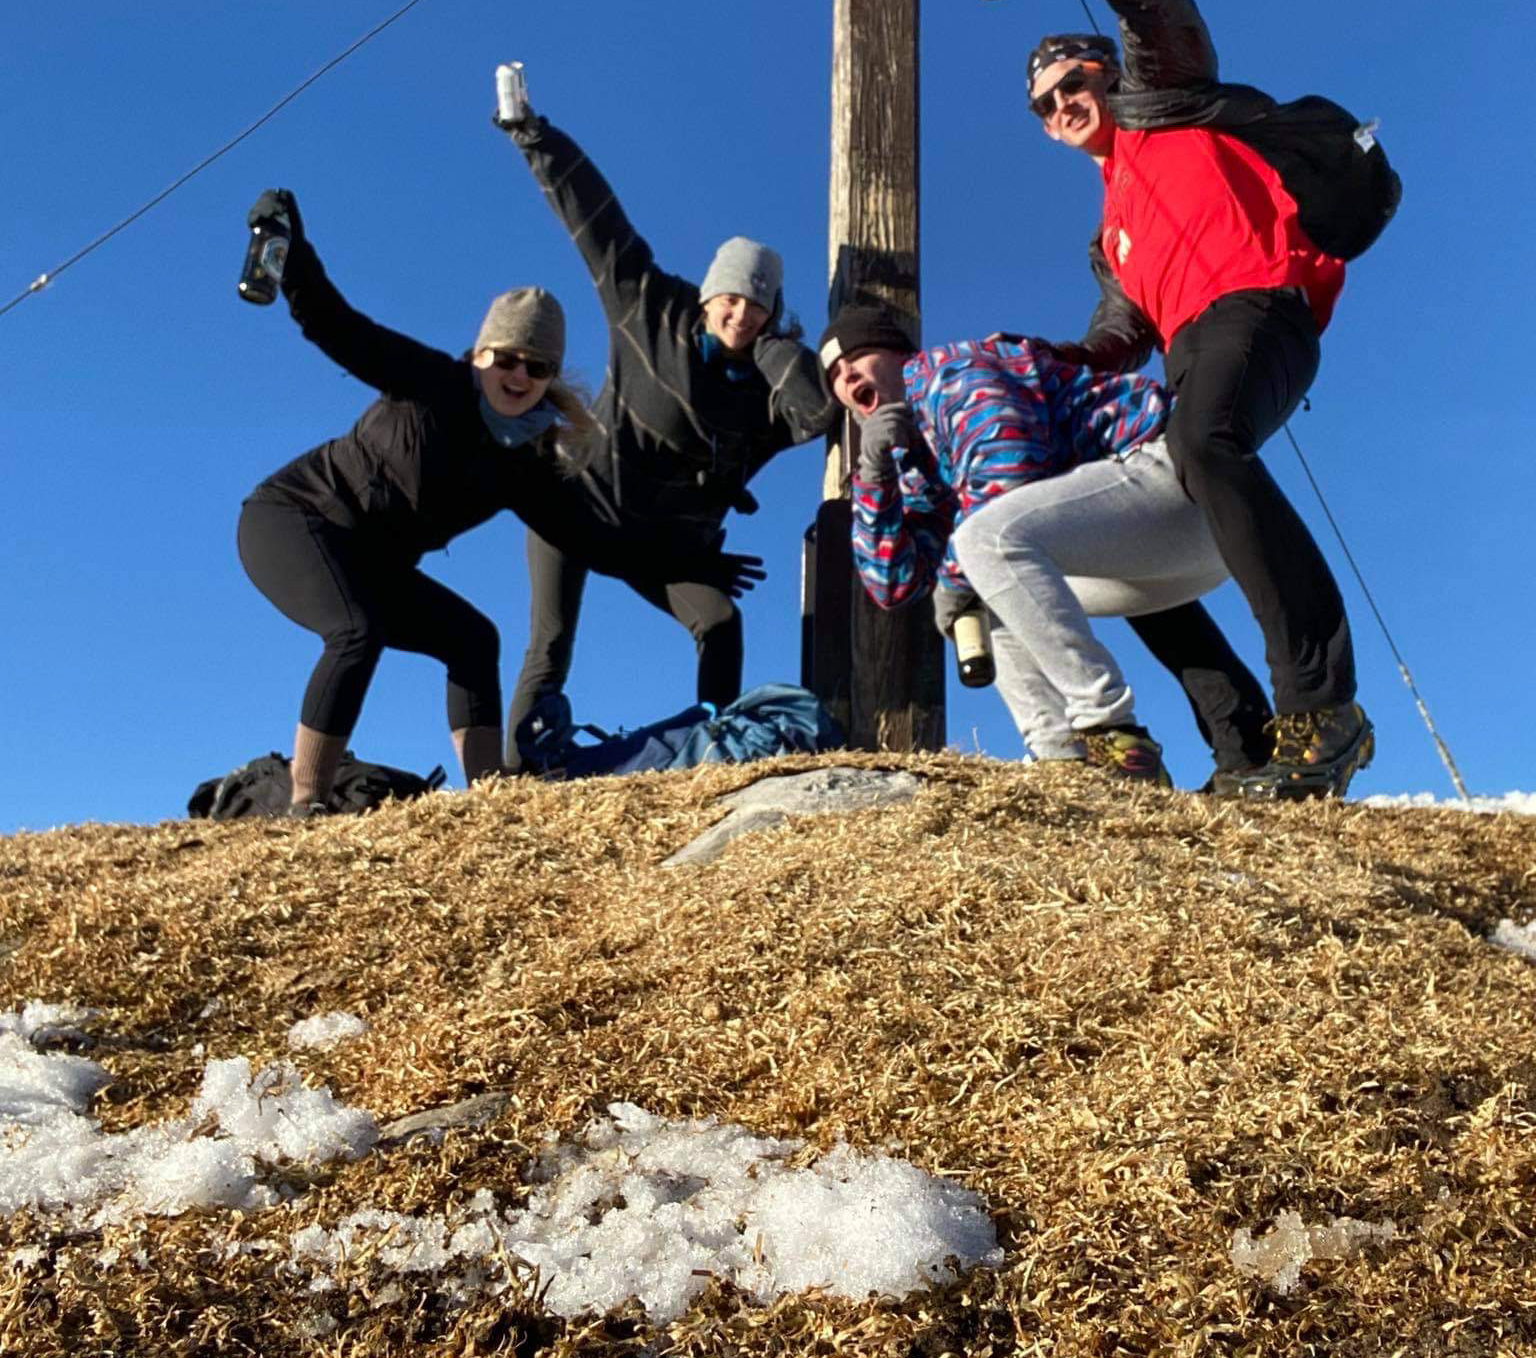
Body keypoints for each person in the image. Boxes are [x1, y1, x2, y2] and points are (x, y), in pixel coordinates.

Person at [953, 0, 1376, 800]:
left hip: (1261, 305)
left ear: (1109, 72)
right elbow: (1121, 334)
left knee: (1205, 443)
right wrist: (1051, 358)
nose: (1062, 106)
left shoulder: (1166, 98)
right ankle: (1242, 749)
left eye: (1072, 83)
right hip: (1193, 357)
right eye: (1044, 106)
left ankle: (1323, 707)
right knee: (1159, 490)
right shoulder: (1110, 234)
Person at [237, 189, 761, 814]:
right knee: (357, 630)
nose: (519, 376)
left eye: (537, 368)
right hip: (295, 520)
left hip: (371, 563)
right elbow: (335, 325)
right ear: (480, 355)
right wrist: (293, 251)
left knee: (472, 638)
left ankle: (487, 798)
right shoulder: (431, 382)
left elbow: (598, 541)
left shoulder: (525, 464)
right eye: (507, 359)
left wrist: (692, 562)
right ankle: (308, 801)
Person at [493, 68, 836, 760]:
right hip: (575, 503)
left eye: (758, 306)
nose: (741, 314)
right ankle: (513, 778)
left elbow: (817, 414)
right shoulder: (649, 307)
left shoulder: (763, 392)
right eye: (731, 298)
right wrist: (533, 134)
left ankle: (717, 751)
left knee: (720, 621)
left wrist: (774, 350)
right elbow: (595, 220)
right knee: (550, 641)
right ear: (709, 295)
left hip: (651, 545)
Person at [820, 302, 1272, 789]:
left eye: (857, 357)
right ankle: (1064, 759)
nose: (848, 377)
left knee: (981, 546)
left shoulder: (953, 373)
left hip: (1185, 484)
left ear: (898, 354)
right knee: (981, 587)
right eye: (835, 377)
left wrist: (953, 581)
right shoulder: (912, 463)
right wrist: (875, 476)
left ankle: (1110, 732)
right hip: (1147, 548)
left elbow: (1006, 478)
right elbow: (894, 586)